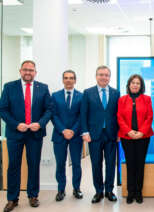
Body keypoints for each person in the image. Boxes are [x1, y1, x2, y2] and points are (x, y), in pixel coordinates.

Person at [0, 60, 53, 212]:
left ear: (35, 72)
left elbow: (49, 109)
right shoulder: (9, 87)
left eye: (31, 70)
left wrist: (40, 123)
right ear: (20, 71)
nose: (28, 72)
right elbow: (3, 109)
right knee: (13, 166)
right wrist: (16, 124)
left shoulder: (42, 88)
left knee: (34, 165)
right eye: (25, 70)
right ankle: (12, 199)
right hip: (15, 133)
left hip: (35, 134)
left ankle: (33, 195)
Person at [80, 65, 120, 203]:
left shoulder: (116, 93)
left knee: (110, 164)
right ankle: (98, 191)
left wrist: (119, 132)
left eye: (106, 75)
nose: (104, 77)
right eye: (101, 74)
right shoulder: (88, 92)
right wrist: (85, 132)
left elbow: (118, 115)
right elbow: (83, 114)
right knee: (96, 164)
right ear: (96, 76)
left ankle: (109, 190)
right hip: (94, 135)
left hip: (111, 134)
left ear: (109, 77)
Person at [117, 74, 154, 204]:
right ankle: (130, 192)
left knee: (140, 164)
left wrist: (141, 132)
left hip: (143, 137)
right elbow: (119, 117)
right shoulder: (122, 100)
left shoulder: (147, 99)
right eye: (133, 82)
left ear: (141, 86)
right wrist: (129, 131)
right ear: (128, 85)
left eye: (138, 83)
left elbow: (149, 117)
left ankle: (138, 192)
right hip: (127, 137)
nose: (135, 85)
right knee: (130, 164)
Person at [51, 70, 83, 201]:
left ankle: (76, 189)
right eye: (66, 78)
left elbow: (82, 116)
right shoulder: (55, 95)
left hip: (76, 136)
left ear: (75, 80)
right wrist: (63, 130)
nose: (68, 80)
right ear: (63, 80)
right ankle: (61, 190)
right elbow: (53, 115)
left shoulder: (81, 96)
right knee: (60, 164)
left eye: (71, 78)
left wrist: (73, 131)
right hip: (59, 135)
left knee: (76, 163)